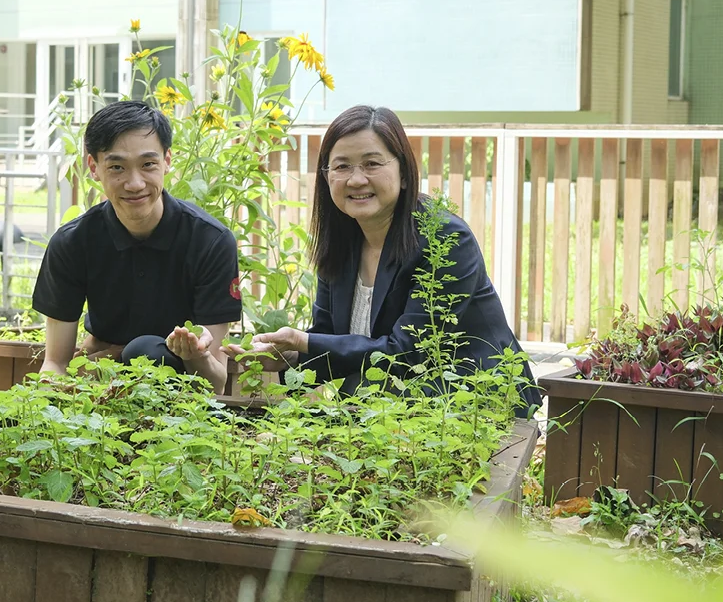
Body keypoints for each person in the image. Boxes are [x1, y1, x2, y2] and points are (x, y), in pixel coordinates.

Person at [224, 105, 541, 417]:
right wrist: (289, 357)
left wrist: (302, 341)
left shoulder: (444, 239)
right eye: (342, 166)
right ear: (325, 177)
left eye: (372, 164)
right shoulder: (341, 242)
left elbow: (407, 352)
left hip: (476, 411)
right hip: (391, 413)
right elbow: (330, 337)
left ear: (403, 173)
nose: (356, 179)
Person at [31, 101, 241, 394]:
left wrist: (196, 353)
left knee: (146, 351)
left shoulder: (211, 241)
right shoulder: (72, 242)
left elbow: (216, 382)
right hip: (98, 389)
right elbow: (55, 363)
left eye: (148, 165)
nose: (134, 183)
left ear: (167, 161)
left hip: (183, 397)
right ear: (94, 167)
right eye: (117, 167)